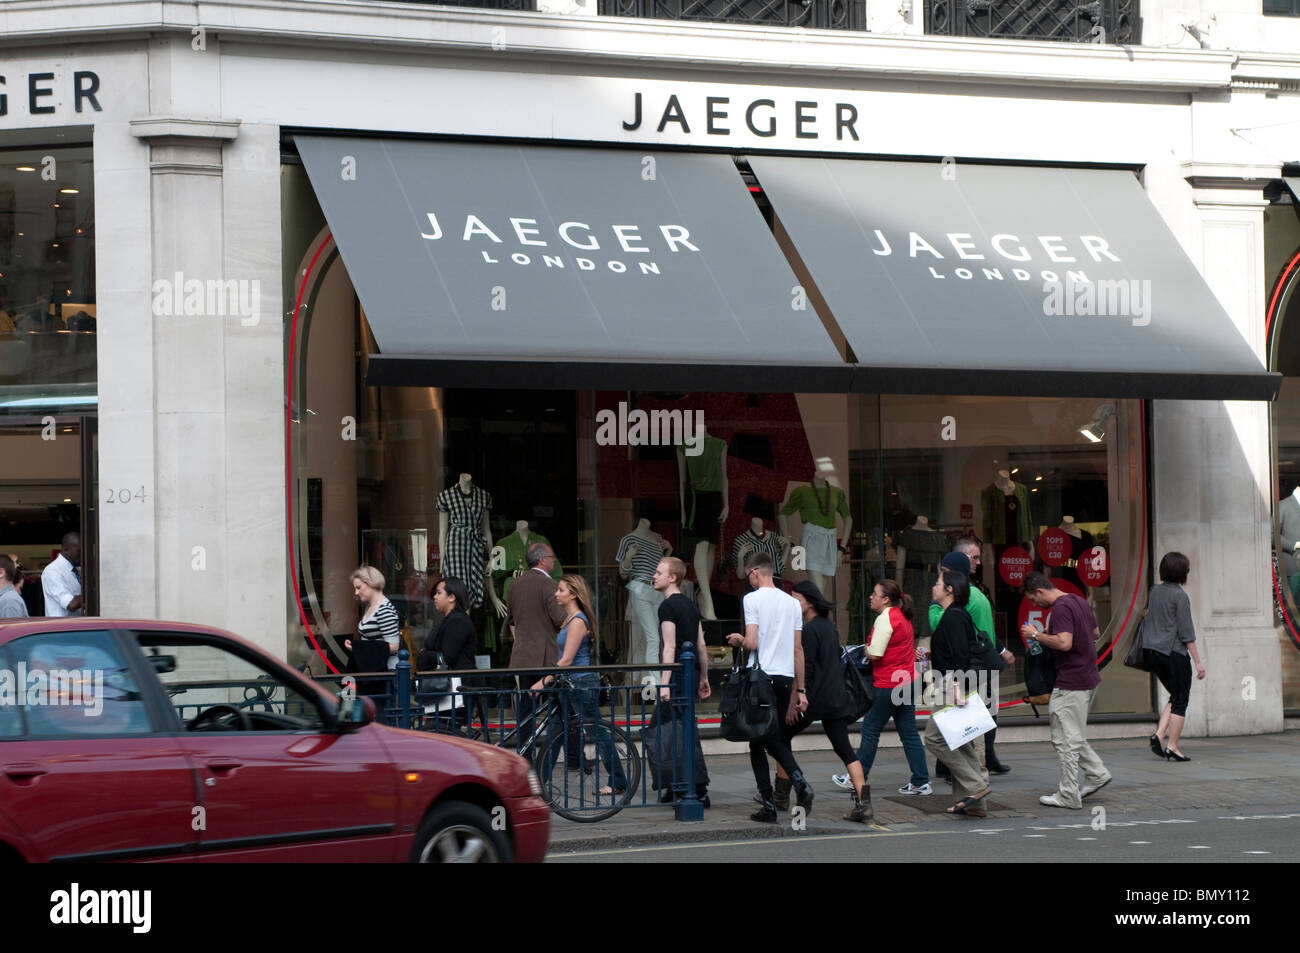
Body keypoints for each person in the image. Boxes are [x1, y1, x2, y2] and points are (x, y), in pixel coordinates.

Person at [725, 551, 812, 823]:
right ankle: (788, 790)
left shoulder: (751, 599)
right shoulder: (792, 603)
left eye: (747, 574)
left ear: (754, 572)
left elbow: (752, 642)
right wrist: (801, 690)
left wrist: (738, 639)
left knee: (758, 739)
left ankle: (778, 798)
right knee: (770, 737)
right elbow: (798, 650)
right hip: (785, 678)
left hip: (760, 678)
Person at [777, 581, 871, 822]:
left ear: (809, 601)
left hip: (813, 698)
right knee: (845, 749)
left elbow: (805, 669)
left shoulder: (808, 631)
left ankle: (782, 795)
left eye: (796, 600)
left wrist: (797, 698)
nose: (794, 605)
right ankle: (864, 804)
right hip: (835, 697)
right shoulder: (829, 627)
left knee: (780, 737)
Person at [834, 579, 930, 813]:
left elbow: (875, 653)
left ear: (886, 599)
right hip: (907, 682)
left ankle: (856, 777)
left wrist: (863, 649)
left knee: (870, 730)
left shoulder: (885, 618)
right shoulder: (903, 616)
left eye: (875, 593)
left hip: (887, 683)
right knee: (909, 733)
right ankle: (921, 781)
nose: (871, 597)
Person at [1021, 572, 1112, 809]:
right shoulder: (1078, 601)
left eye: (1033, 599)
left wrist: (1036, 635)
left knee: (1064, 739)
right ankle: (1097, 773)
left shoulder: (1060, 609)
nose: (1034, 605)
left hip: (1071, 680)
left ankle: (1069, 794)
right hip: (1087, 676)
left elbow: (1064, 642)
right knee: (1073, 734)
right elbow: (1095, 633)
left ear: (1040, 591)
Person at [531, 574, 627, 796]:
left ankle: (618, 781)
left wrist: (542, 682)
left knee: (597, 732)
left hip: (581, 683)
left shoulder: (577, 621)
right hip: (569, 683)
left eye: (561, 590)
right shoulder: (568, 620)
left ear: (572, 594)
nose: (556, 593)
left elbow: (566, 660)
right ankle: (538, 783)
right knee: (555, 730)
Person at [928, 549, 1012, 776]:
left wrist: (934, 607)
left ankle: (974, 777)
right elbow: (985, 630)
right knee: (978, 721)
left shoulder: (957, 608)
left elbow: (941, 628)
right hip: (978, 668)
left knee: (966, 729)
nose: (936, 581)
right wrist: (1001, 649)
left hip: (967, 673)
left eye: (941, 574)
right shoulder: (979, 595)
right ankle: (976, 773)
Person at [921, 569, 993, 817]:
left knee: (934, 739)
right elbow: (955, 651)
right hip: (956, 683)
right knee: (961, 742)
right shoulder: (956, 615)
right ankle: (974, 804)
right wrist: (933, 655)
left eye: (938, 583)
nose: (934, 587)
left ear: (949, 589)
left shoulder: (952, 617)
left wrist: (954, 689)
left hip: (952, 686)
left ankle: (975, 787)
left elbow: (960, 657)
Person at [652, 556, 712, 805]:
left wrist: (664, 683)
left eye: (659, 572)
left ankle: (689, 788)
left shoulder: (667, 607)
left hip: (676, 676)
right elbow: (701, 644)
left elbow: (670, 647)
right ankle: (685, 786)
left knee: (663, 730)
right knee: (682, 728)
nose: (654, 576)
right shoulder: (689, 604)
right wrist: (705, 677)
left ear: (672, 577)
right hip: (691, 673)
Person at [1143, 552, 1205, 762]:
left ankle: (1159, 735)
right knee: (1181, 700)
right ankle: (1172, 747)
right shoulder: (1180, 596)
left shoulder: (1154, 591)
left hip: (1154, 653)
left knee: (1175, 694)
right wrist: (1198, 662)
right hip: (1174, 654)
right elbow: (1187, 633)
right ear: (1181, 572)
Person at [505, 542, 566, 727]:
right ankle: (554, 751)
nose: (554, 561)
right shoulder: (549, 584)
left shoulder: (514, 584)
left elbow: (512, 620)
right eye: (551, 557)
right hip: (547, 656)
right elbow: (560, 619)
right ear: (542, 560)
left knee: (526, 711)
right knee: (558, 708)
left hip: (523, 656)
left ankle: (525, 752)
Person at [420, 576, 486, 737]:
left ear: (451, 597)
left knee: (444, 735)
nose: (434, 597)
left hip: (454, 690)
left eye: (438, 593)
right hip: (447, 690)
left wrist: (425, 655)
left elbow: (448, 657)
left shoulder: (458, 621)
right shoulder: (450, 619)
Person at [344, 565, 401, 668]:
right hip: (375, 668)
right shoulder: (370, 607)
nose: (356, 592)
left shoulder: (384, 610)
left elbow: (394, 647)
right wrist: (356, 646)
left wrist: (358, 647)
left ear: (371, 583)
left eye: (358, 587)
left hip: (386, 671)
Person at [42, 532, 84, 617]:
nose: (83, 555)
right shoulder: (52, 571)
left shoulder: (77, 569)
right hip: (61, 627)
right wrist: (94, 593)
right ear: (66, 550)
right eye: (79, 551)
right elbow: (71, 604)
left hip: (77, 625)